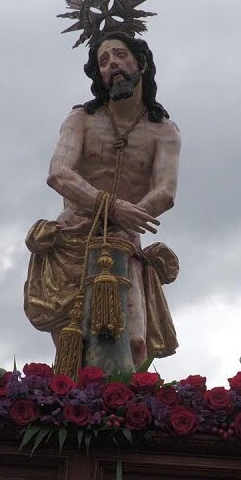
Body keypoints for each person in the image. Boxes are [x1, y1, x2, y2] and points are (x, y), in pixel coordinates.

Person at [24, 30, 181, 373]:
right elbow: (59, 173)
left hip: (123, 242)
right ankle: (77, 411)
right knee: (74, 344)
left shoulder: (163, 131)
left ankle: (119, 411)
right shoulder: (80, 119)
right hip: (73, 238)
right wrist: (112, 207)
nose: (114, 64)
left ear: (140, 62)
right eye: (105, 61)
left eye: (120, 55)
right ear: (99, 75)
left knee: (133, 342)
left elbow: (165, 191)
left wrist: (128, 215)